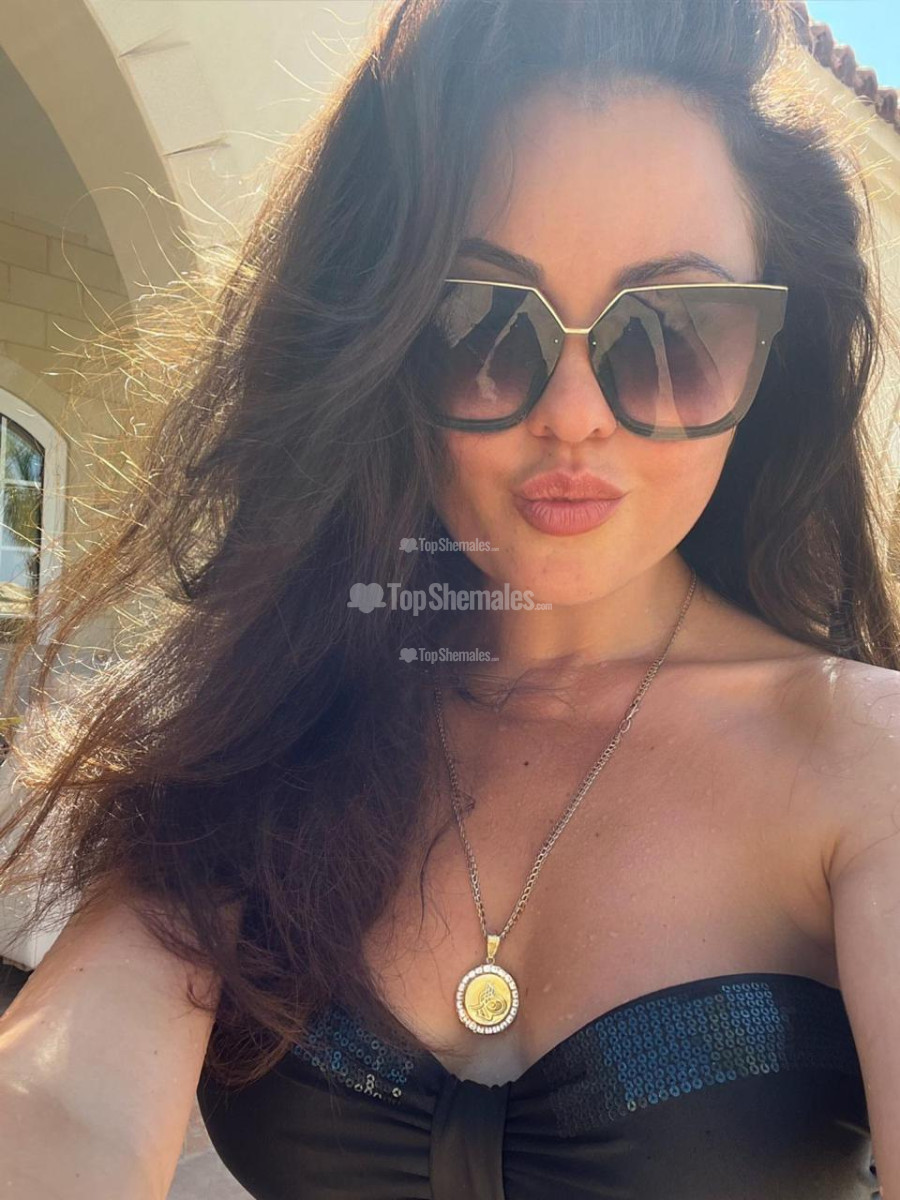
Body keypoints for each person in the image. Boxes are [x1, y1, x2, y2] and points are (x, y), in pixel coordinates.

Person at [0, 0, 898, 1196]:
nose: (573, 415)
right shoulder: (280, 709)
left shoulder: (866, 759)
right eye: (482, 323)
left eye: (675, 331)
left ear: (770, 357)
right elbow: (60, 1098)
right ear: (383, 347)